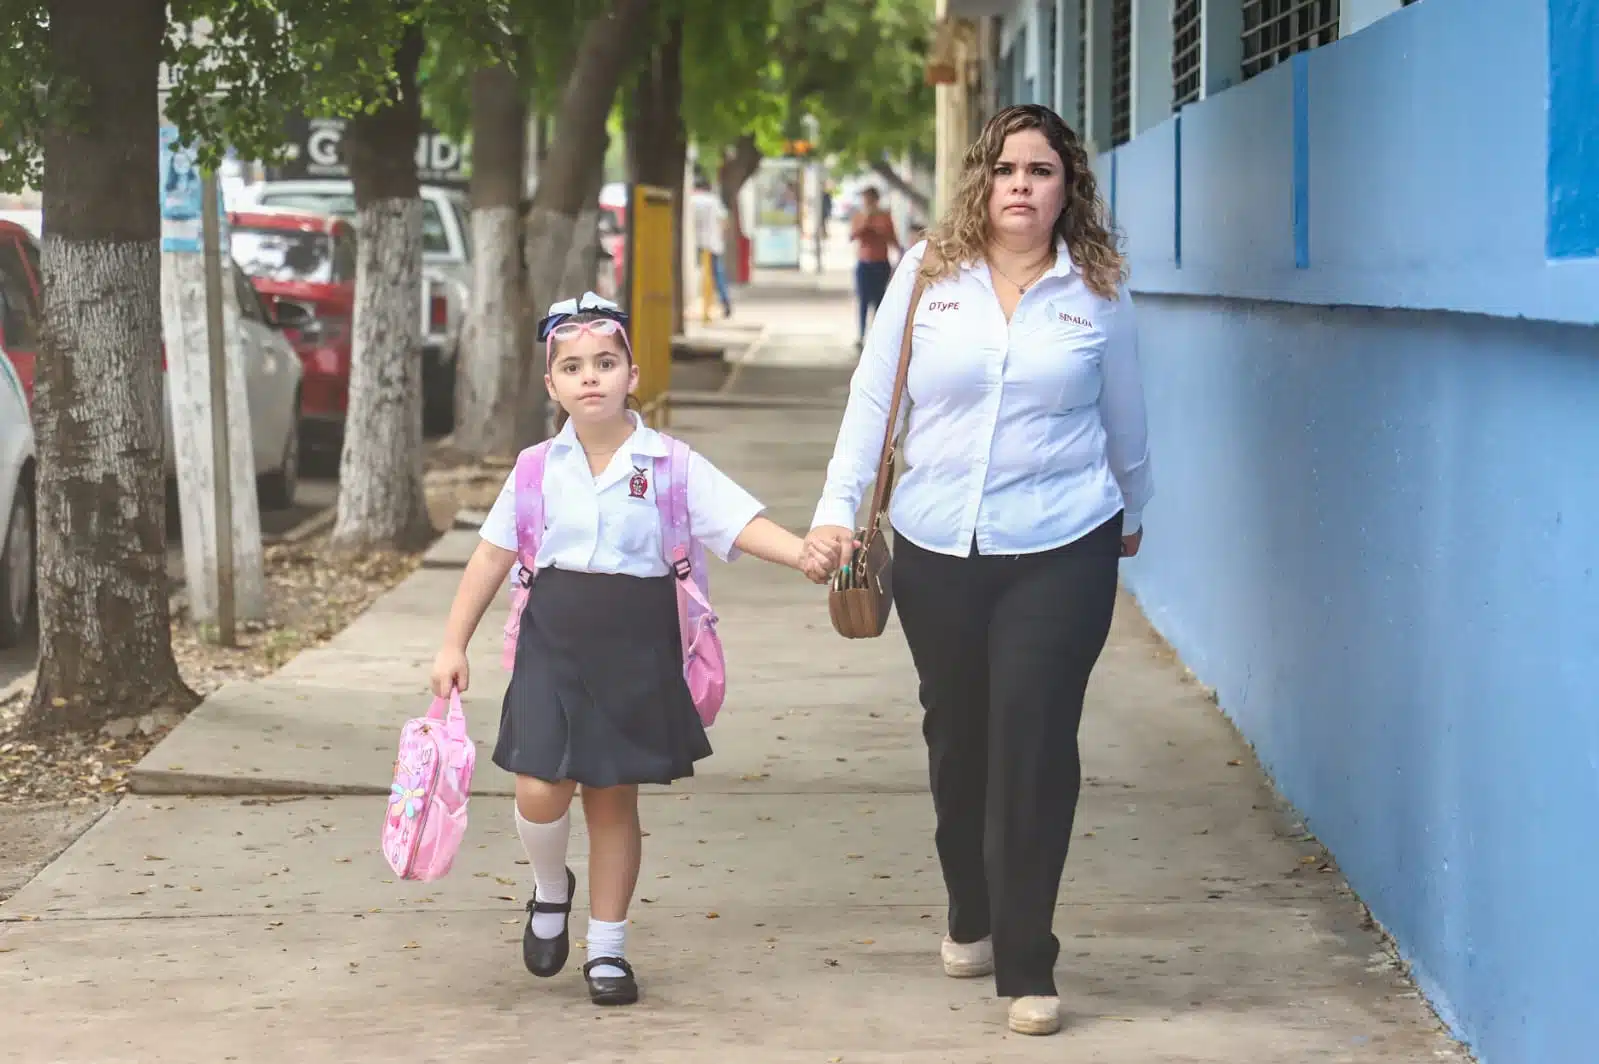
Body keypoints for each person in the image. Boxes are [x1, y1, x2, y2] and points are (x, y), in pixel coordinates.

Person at [802, 105, 1154, 1037]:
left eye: (1040, 171)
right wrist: (837, 514)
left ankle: (1028, 960)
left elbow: (1126, 419)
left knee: (1034, 741)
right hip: (936, 547)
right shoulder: (927, 274)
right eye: (1005, 170)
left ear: (1066, 185)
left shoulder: (1099, 291)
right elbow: (873, 403)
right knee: (959, 737)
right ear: (980, 181)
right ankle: (971, 903)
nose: (1021, 187)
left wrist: (1133, 508)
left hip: (1064, 541)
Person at [429, 292, 823, 1007]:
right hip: (552, 641)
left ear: (631, 374)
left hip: (635, 647)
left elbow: (738, 524)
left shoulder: (670, 464)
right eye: (573, 367)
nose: (591, 378)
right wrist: (452, 643)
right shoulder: (533, 470)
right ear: (551, 386)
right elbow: (489, 559)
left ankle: (606, 950)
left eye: (605, 363)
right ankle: (551, 890)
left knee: (612, 803)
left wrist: (804, 556)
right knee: (539, 790)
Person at [848, 186, 900, 347]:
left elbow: (893, 239)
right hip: (864, 263)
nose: (867, 202)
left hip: (880, 263)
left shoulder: (885, 217)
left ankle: (876, 337)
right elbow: (852, 236)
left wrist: (878, 230)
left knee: (879, 301)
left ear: (876, 200)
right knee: (863, 300)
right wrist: (866, 222)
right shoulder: (859, 216)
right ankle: (861, 336)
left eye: (870, 199)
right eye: (865, 199)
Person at [690, 176, 733, 318]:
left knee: (699, 273)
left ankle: (701, 304)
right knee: (717, 274)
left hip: (696, 243)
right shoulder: (714, 201)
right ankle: (724, 302)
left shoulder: (692, 200)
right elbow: (724, 220)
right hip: (713, 243)